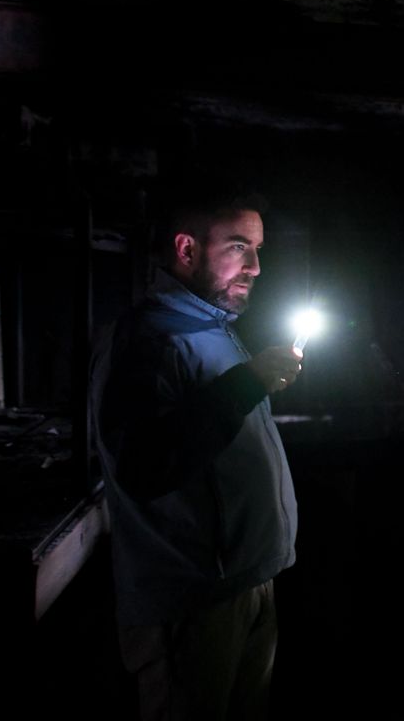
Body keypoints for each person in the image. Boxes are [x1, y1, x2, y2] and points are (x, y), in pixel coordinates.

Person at [92, 189, 302, 721]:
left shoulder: (211, 330)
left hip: (246, 580)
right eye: (238, 247)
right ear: (186, 250)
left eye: (257, 250)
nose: (255, 267)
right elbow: (143, 465)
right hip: (191, 600)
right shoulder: (148, 340)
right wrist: (245, 385)